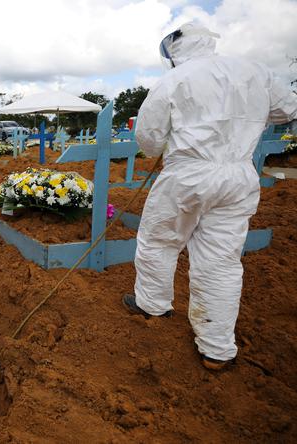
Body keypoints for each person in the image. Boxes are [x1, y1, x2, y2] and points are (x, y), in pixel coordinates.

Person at [122, 22, 297, 370]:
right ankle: (217, 348)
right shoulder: (255, 71)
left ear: (174, 52)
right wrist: (246, 122)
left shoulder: (174, 80)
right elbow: (288, 109)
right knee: (221, 260)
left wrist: (171, 143)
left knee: (159, 240)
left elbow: (148, 136)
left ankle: (152, 305)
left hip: (188, 173)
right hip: (237, 175)